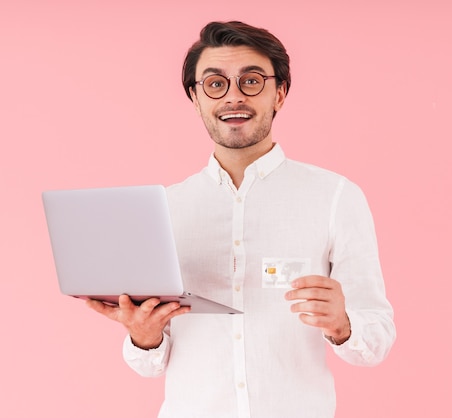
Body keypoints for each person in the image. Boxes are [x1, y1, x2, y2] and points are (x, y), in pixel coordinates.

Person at [87, 20, 396, 418]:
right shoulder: (164, 208)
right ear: (196, 99)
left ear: (279, 93)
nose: (233, 97)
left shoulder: (335, 197)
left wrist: (343, 325)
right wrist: (144, 337)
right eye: (215, 84)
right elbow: (149, 365)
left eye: (251, 81)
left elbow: (377, 338)